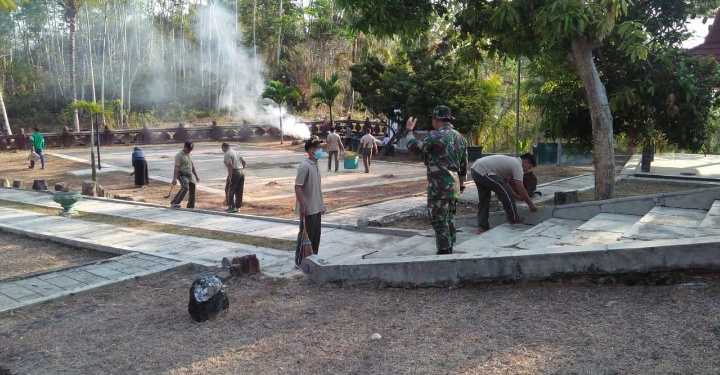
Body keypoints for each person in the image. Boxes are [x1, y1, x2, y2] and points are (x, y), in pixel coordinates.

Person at [405, 105, 468, 255]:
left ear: (436, 119)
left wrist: (409, 131)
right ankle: (450, 246)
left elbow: (414, 146)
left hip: (439, 186)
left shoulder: (436, 136)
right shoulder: (460, 137)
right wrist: (462, 183)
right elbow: (464, 164)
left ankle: (444, 251)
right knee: (450, 218)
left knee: (439, 220)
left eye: (432, 119)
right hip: (454, 186)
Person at [471, 153, 538, 234]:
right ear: (526, 162)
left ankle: (482, 226)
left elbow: (506, 184)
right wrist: (531, 204)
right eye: (529, 167)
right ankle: (513, 218)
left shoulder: (509, 163)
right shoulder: (517, 165)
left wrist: (515, 196)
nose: (527, 170)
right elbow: (520, 188)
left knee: (484, 199)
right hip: (484, 170)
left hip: (475, 169)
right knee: (505, 192)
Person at [294, 138, 326, 266]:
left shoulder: (315, 164)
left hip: (316, 206)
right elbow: (297, 186)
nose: (319, 149)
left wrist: (321, 203)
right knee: (305, 235)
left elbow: (316, 187)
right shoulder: (304, 166)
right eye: (316, 147)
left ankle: (313, 259)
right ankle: (300, 261)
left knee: (316, 235)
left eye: (319, 146)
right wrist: (302, 206)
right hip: (308, 207)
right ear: (310, 151)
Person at [170, 141, 201, 209]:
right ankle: (175, 202)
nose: (189, 150)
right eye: (188, 149)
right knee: (185, 186)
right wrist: (174, 178)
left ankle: (190, 206)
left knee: (193, 186)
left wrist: (196, 176)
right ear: (184, 147)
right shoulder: (179, 155)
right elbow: (176, 167)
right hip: (181, 174)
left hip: (189, 174)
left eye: (191, 149)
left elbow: (192, 166)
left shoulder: (190, 154)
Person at [221, 142, 246, 213]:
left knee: (229, 189)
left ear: (223, 147)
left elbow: (230, 166)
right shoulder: (236, 152)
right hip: (241, 171)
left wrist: (229, 176)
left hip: (234, 172)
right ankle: (238, 207)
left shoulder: (227, 154)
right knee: (239, 190)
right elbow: (244, 162)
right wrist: (241, 169)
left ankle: (232, 206)